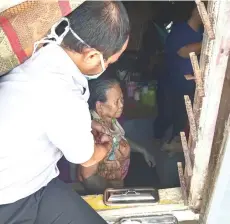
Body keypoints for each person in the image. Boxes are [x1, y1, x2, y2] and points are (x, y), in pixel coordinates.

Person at [0, 1, 129, 223]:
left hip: (38, 182)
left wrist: (85, 127)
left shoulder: (38, 54)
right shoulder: (64, 93)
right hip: (10, 198)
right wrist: (104, 146)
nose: (106, 67)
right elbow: (85, 158)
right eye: (109, 61)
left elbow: (43, 116)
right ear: (90, 55)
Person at [78, 79, 155, 194]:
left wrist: (142, 150)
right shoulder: (95, 131)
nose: (121, 105)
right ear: (100, 106)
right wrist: (115, 192)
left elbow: (119, 139)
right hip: (104, 193)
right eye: (116, 102)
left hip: (118, 184)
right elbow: (88, 177)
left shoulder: (111, 120)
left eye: (122, 99)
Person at [155, 2, 203, 145]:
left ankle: (175, 143)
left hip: (193, 83)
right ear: (195, 11)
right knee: (170, 114)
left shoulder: (201, 33)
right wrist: (207, 43)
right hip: (174, 83)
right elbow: (183, 52)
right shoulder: (179, 30)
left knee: (185, 118)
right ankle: (160, 142)